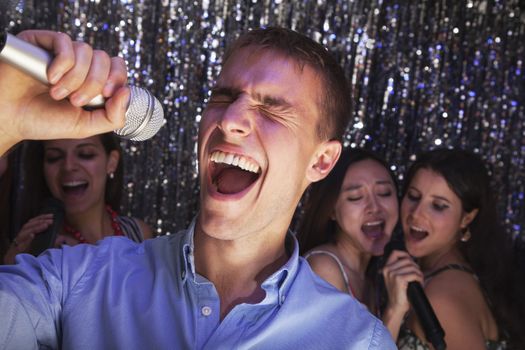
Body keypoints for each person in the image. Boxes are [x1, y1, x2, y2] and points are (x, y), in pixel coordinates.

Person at [0, 28, 396, 348]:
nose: (230, 119)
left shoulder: (359, 341)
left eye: (272, 107)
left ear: (321, 161)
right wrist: (4, 120)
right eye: (223, 97)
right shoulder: (78, 280)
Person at [382, 148, 525, 349]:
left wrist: (392, 313)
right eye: (413, 196)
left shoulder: (441, 298)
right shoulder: (453, 273)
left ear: (467, 218)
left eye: (438, 206)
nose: (416, 213)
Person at [298, 147, 418, 338]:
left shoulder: (370, 278)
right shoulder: (323, 267)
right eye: (355, 197)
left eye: (385, 193)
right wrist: (394, 310)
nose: (374, 207)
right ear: (332, 210)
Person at [2, 133, 153, 265]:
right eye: (54, 157)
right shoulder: (42, 247)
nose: (68, 166)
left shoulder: (138, 233)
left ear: (111, 162)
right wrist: (10, 269)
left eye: (85, 154)